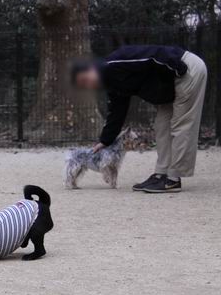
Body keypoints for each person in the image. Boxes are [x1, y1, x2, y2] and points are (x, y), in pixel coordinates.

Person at [71, 45, 207, 193]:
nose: (88, 85)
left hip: (185, 70)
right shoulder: (111, 83)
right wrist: (105, 140)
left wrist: (178, 68)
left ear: (91, 68)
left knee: (181, 125)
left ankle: (173, 179)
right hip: (171, 82)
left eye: (85, 79)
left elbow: (154, 55)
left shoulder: (116, 61)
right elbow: (117, 111)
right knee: (161, 126)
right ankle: (161, 174)